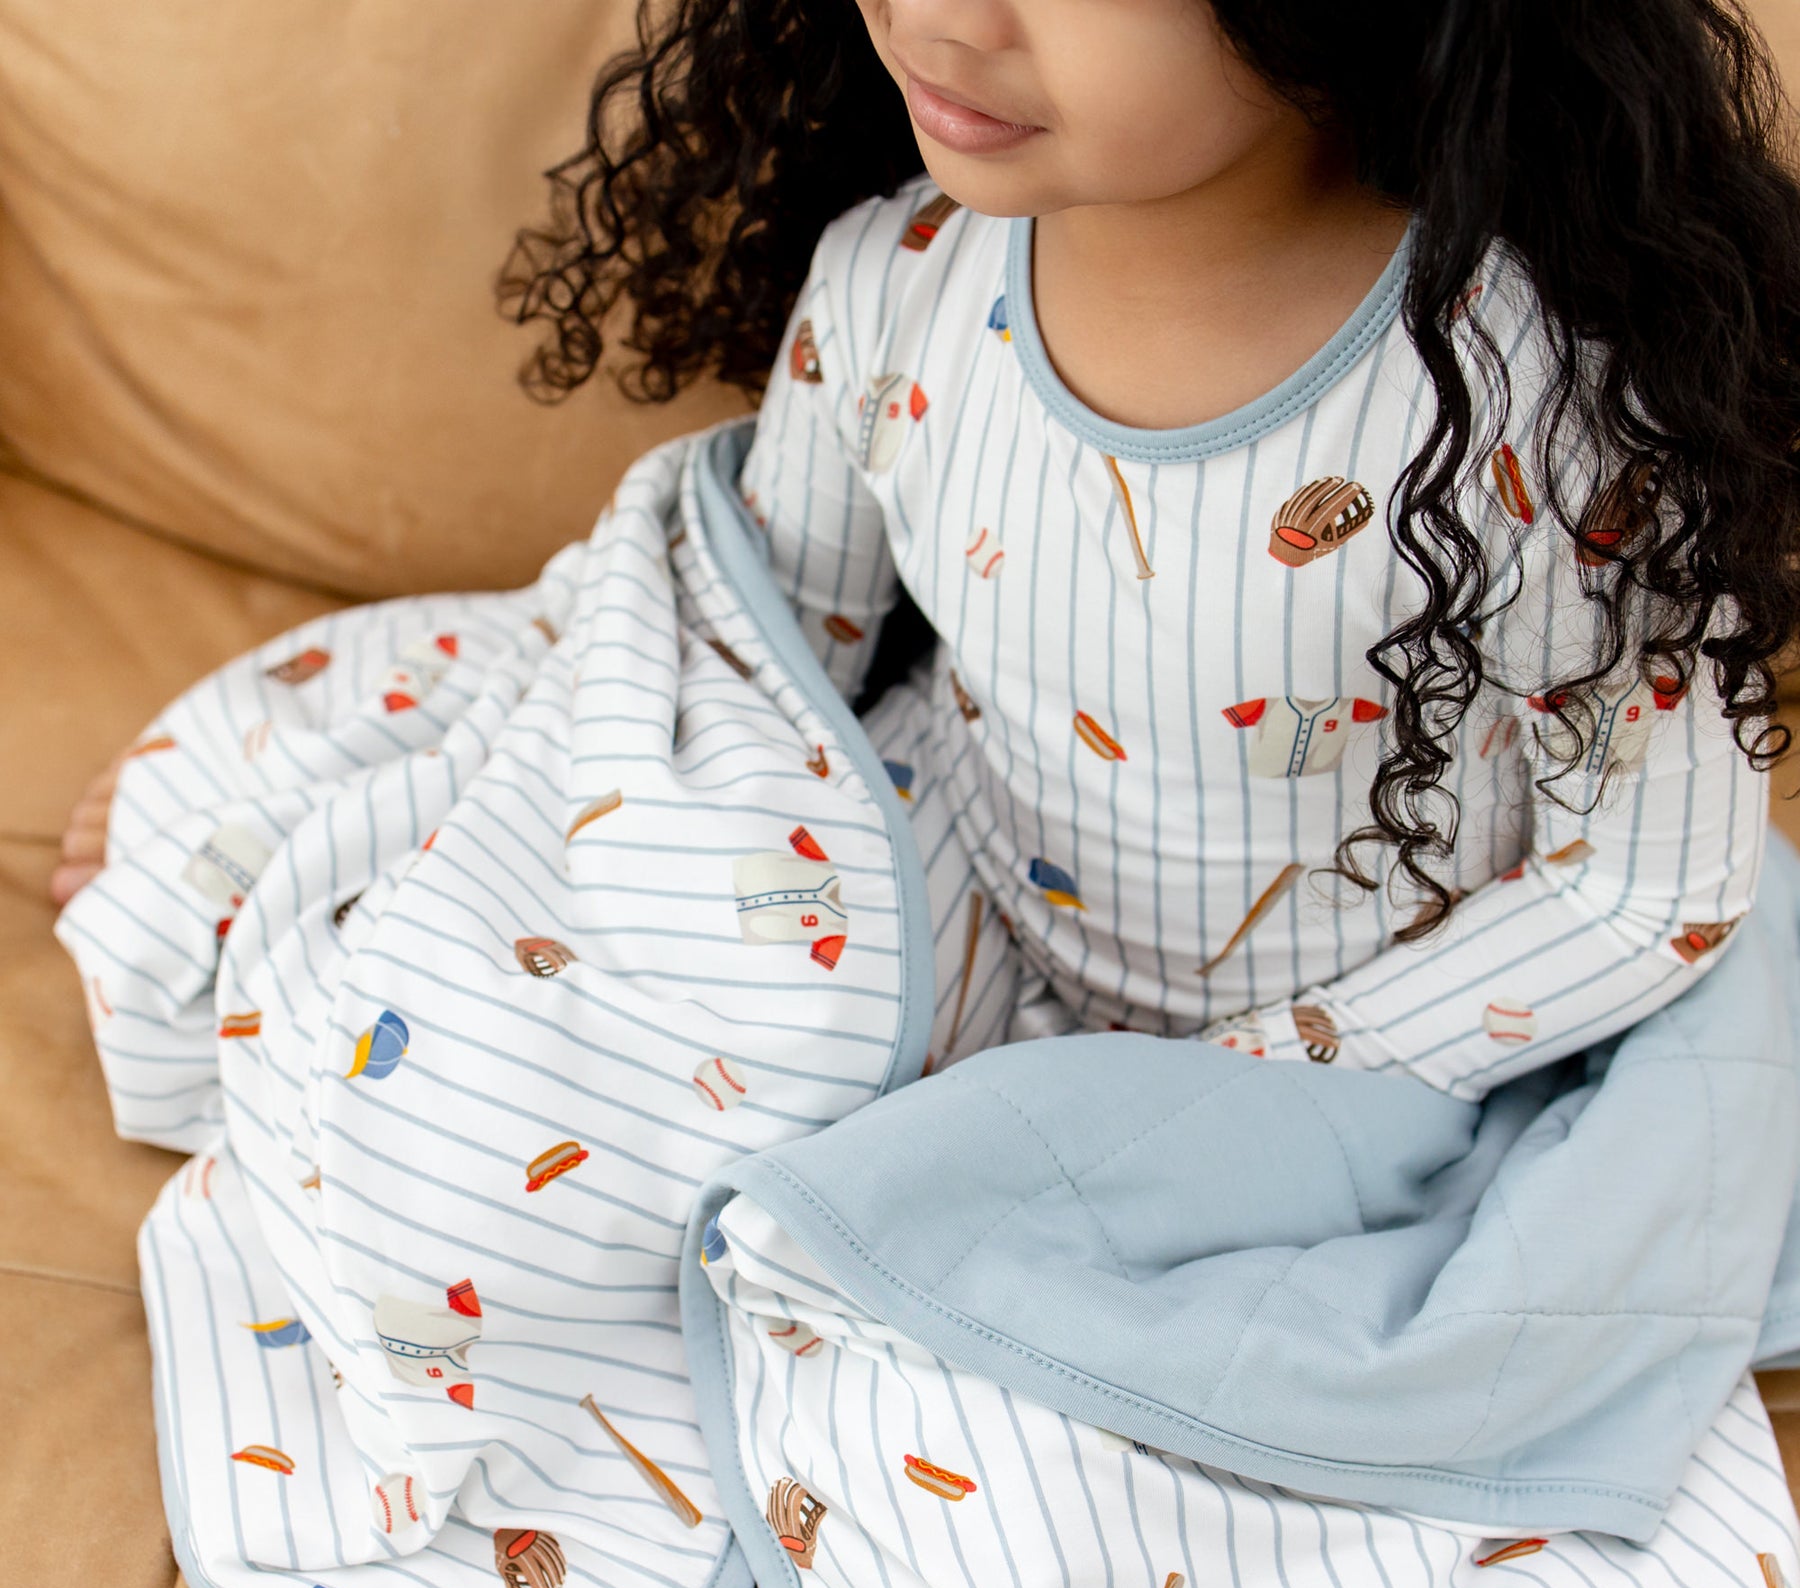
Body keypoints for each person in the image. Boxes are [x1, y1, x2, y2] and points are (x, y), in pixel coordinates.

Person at [53, 0, 1800, 1097]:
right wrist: (304, 781)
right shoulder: (897, 283)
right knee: (502, 1077)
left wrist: (1249, 1102)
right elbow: (726, 638)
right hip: (964, 938)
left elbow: (1649, 888)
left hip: (1380, 1066)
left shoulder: (1538, 409)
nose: (944, 19)